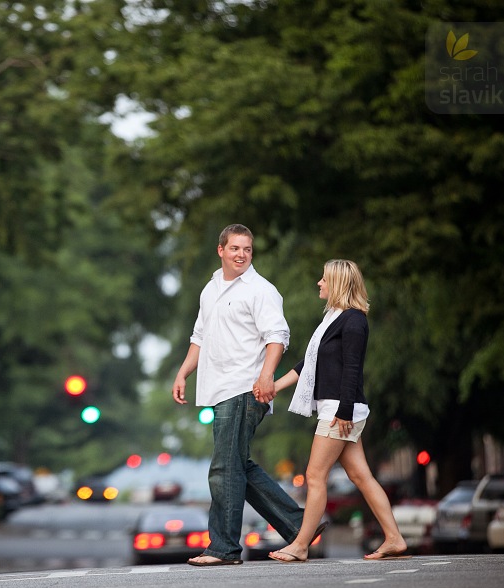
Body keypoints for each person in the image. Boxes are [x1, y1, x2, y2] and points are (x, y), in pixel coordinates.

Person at [172, 223, 318, 566]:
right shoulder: (210, 289)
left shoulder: (260, 290)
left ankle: (223, 547)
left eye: (247, 249)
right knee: (237, 465)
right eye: (235, 248)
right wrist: (182, 373)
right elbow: (199, 337)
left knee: (224, 468)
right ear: (221, 250)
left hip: (245, 386)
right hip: (218, 388)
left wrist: (267, 375)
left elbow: (278, 335)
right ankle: (298, 526)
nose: (241, 255)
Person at [267, 259, 409, 563]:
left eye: (324, 279)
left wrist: (344, 411)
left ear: (339, 284)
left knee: (315, 475)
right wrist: (274, 387)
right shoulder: (333, 319)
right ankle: (394, 538)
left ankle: (301, 544)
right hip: (340, 408)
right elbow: (310, 366)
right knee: (361, 476)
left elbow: (352, 370)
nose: (319, 283)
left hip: (341, 410)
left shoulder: (354, 321)